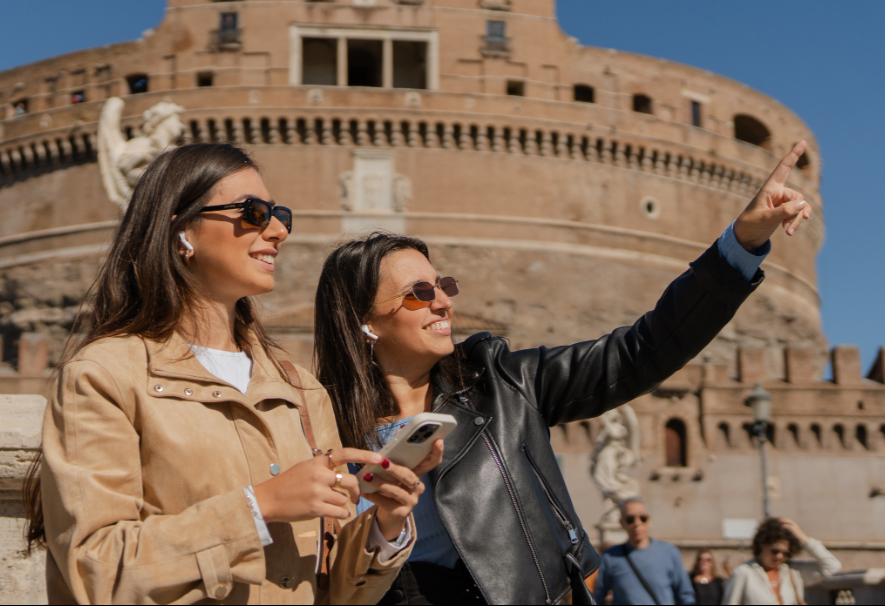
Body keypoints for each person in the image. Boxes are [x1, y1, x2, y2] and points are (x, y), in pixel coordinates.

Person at [312, 142, 814, 604]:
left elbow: (643, 350)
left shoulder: (503, 384)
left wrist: (740, 247)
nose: (443, 300)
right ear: (363, 322)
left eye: (442, 283)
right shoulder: (319, 424)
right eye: (420, 293)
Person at [22, 143, 434, 604]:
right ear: (182, 230)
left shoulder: (299, 389)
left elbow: (332, 590)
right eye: (254, 212)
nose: (277, 230)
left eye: (279, 214)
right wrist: (260, 507)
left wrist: (384, 526)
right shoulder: (105, 376)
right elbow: (96, 571)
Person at [592, 498, 695, 605]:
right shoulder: (610, 556)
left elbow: (685, 594)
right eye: (630, 519)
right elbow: (598, 596)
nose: (637, 523)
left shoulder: (669, 552)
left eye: (643, 518)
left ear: (649, 520)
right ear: (622, 523)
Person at [722, 517, 840, 605]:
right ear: (762, 544)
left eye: (785, 553)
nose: (779, 556)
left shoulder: (793, 571)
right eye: (775, 551)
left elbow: (832, 566)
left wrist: (803, 537)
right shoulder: (743, 573)